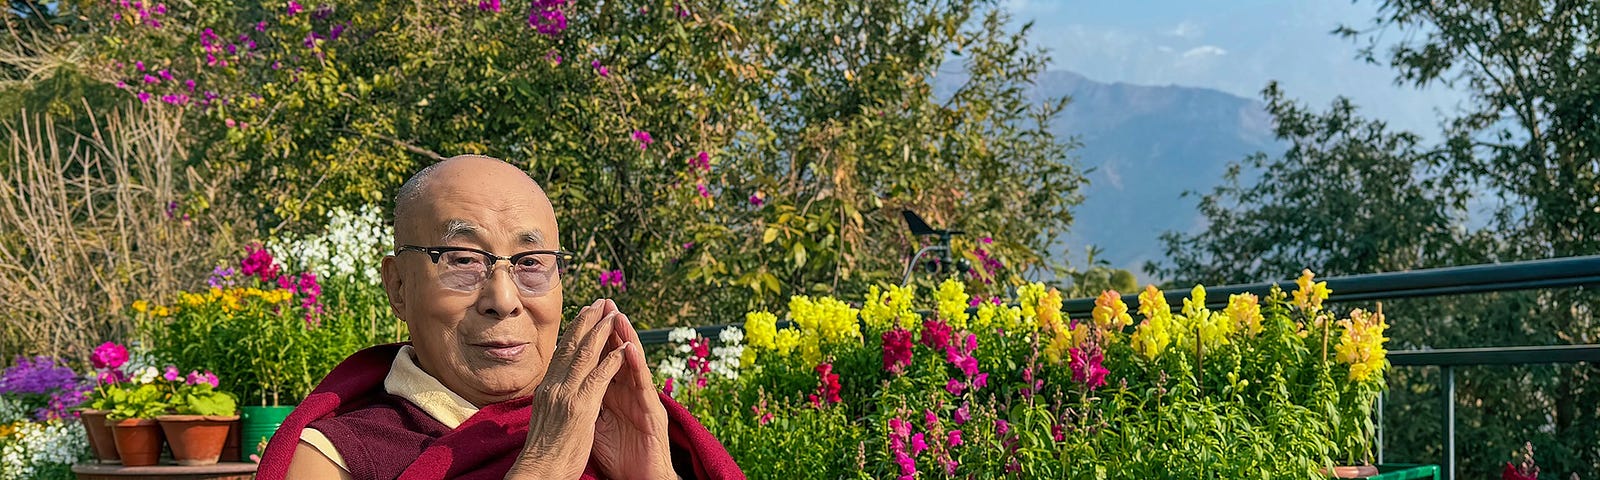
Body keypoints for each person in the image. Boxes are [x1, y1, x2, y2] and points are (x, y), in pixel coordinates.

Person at [255, 155, 743, 480]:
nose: (504, 298)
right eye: (463, 260)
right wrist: (543, 466)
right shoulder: (336, 458)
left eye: (531, 263)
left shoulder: (622, 426)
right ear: (398, 286)